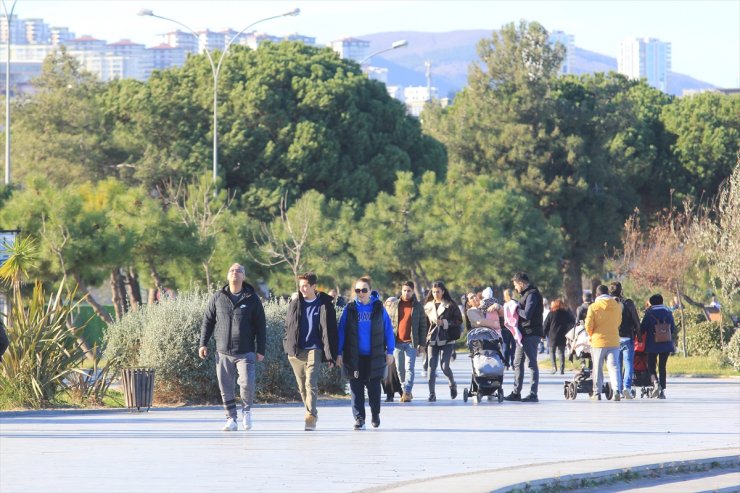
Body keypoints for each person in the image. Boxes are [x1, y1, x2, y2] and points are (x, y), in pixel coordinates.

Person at [199, 263, 266, 431]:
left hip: (246, 351)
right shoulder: (218, 297)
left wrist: (261, 350)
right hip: (222, 351)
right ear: (228, 276)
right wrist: (203, 343)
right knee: (225, 386)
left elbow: (260, 325)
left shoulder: (252, 298)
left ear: (243, 276)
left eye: (239, 271)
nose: (235, 273)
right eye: (232, 270)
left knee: (247, 383)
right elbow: (208, 321)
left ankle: (247, 412)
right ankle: (231, 418)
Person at [337, 276, 395, 430]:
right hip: (354, 356)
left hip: (374, 356)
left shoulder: (378, 308)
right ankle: (359, 418)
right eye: (358, 290)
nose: (361, 293)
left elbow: (388, 330)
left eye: (364, 290)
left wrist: (390, 351)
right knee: (356, 390)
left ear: (370, 291)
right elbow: (341, 331)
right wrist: (339, 353)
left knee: (374, 389)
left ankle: (375, 414)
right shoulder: (349, 309)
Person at [284, 272, 338, 431]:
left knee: (310, 383)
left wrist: (331, 355)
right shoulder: (295, 303)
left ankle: (310, 417)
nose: (303, 289)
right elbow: (288, 326)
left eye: (306, 286)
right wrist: (287, 345)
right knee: (302, 387)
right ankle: (311, 411)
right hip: (296, 351)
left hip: (315, 348)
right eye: (300, 286)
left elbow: (331, 331)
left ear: (314, 286)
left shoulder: (325, 305)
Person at [504, 272, 543, 403]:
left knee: (531, 363)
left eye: (515, 285)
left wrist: (514, 309)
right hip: (523, 334)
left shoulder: (532, 294)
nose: (515, 288)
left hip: (531, 333)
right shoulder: (525, 294)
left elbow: (527, 314)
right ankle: (516, 392)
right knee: (517, 362)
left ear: (521, 283)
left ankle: (533, 394)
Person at [386, 281, 427, 403]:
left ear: (413, 291)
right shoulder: (395, 305)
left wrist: (422, 344)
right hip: (397, 342)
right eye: (404, 290)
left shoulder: (418, 306)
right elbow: (390, 324)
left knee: (410, 368)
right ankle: (405, 390)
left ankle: (407, 392)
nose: (406, 293)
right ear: (401, 291)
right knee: (400, 369)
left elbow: (423, 326)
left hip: (411, 343)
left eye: (409, 290)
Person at [424, 280, 463, 402]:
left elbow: (459, 321)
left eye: (438, 292)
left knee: (445, 366)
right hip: (432, 338)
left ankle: (452, 384)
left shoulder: (450, 305)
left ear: (443, 292)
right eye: (434, 292)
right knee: (431, 366)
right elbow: (424, 324)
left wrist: (445, 323)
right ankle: (431, 393)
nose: (436, 294)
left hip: (447, 338)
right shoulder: (428, 306)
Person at [584, 284, 622, 401]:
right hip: (614, 340)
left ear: (597, 294)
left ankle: (597, 392)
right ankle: (616, 390)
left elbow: (588, 325)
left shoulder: (593, 307)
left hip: (598, 341)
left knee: (597, 367)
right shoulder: (617, 305)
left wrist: (591, 334)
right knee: (614, 367)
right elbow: (618, 322)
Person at [640, 294, 677, 399]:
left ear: (651, 303)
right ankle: (662, 391)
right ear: (661, 301)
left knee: (651, 365)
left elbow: (643, 329)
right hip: (666, 344)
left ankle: (655, 382)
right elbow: (673, 329)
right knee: (662, 367)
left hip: (652, 344)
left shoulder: (649, 313)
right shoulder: (669, 313)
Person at [609, 281, 640, 400]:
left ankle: (619, 389)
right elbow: (636, 321)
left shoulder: (608, 304)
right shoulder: (628, 303)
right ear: (621, 290)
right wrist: (640, 337)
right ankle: (627, 387)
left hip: (613, 338)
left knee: (616, 365)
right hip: (627, 337)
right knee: (628, 364)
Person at [543, 299, 574, 375]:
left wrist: (544, 334)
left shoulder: (551, 313)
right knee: (561, 352)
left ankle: (554, 368)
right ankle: (562, 369)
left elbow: (545, 324)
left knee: (552, 352)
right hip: (562, 335)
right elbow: (572, 321)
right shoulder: (566, 313)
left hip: (552, 336)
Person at [502, 289, 519, 370]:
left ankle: (506, 364)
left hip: (506, 327)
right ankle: (513, 363)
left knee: (505, 346)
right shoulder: (516, 303)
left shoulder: (505, 305)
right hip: (514, 326)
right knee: (514, 346)